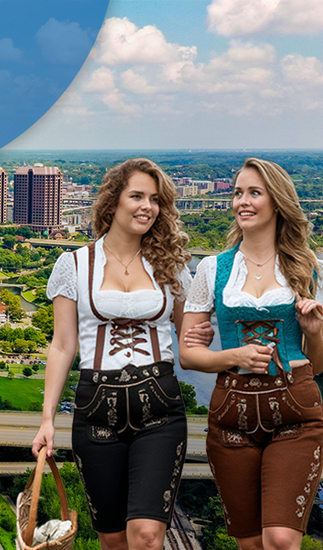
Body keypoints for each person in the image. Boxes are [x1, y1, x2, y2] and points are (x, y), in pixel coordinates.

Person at [33, 158, 212, 550]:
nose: (147, 206)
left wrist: (210, 334)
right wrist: (47, 418)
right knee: (113, 540)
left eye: (154, 199)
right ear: (112, 203)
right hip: (95, 408)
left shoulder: (172, 266)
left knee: (146, 536)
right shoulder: (74, 264)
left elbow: (189, 341)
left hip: (159, 409)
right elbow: (63, 345)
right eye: (137, 196)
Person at [178, 158, 323, 550]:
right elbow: (187, 354)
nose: (242, 202)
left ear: (277, 201)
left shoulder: (309, 269)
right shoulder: (213, 270)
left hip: (295, 411)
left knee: (281, 539)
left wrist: (314, 335)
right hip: (231, 412)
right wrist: (233, 355)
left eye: (254, 192)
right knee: (250, 544)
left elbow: (316, 365)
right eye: (237, 193)